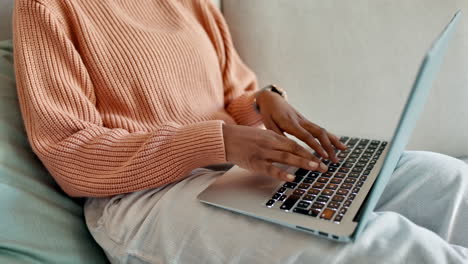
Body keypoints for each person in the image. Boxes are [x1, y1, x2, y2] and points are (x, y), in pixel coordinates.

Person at [13, 0, 468, 263]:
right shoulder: (47, 7)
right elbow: (70, 152)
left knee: (447, 180)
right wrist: (216, 140)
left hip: (236, 173)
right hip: (141, 200)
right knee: (383, 248)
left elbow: (235, 94)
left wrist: (266, 101)